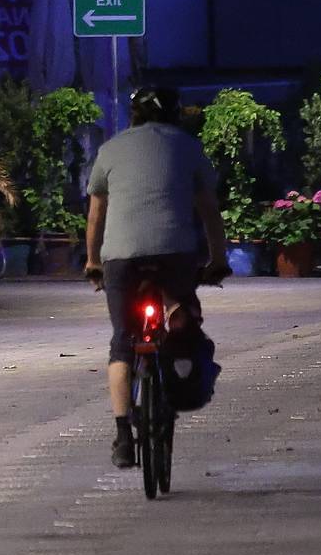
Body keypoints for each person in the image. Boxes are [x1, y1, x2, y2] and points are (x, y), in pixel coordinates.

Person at [81, 83, 230, 469]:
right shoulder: (187, 147)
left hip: (121, 259)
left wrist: (92, 261)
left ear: (133, 117)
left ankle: (122, 436)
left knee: (122, 342)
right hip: (176, 254)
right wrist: (218, 260)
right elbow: (209, 212)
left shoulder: (110, 149)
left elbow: (96, 215)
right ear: (175, 114)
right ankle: (180, 345)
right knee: (183, 316)